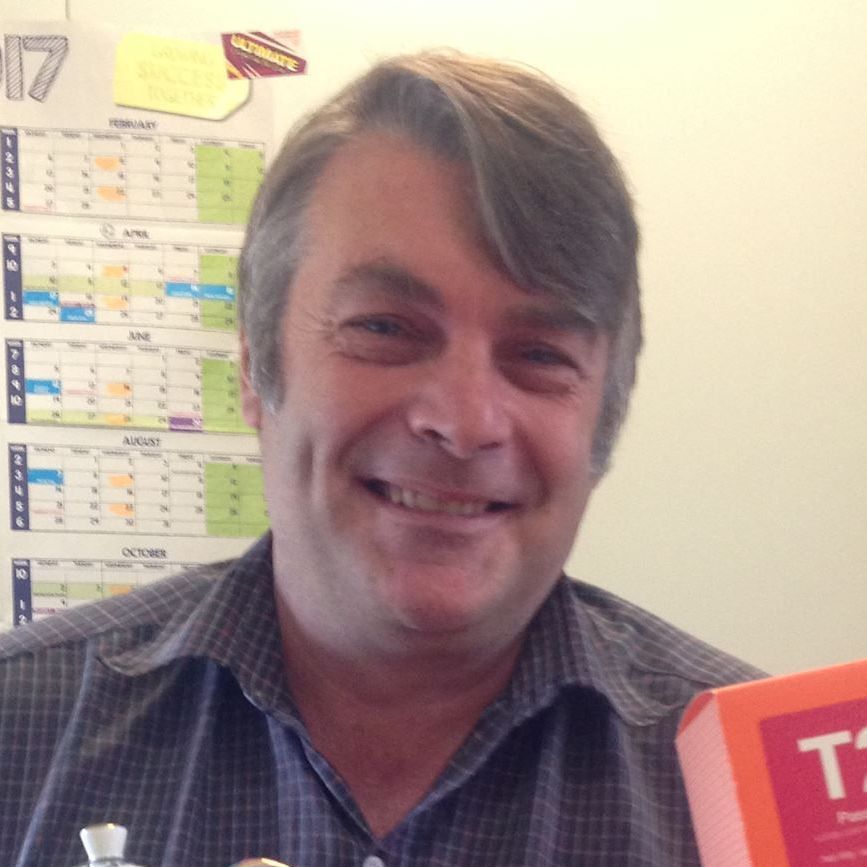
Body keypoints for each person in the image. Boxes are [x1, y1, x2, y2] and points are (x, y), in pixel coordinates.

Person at [0, 51, 762, 866]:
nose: (464, 422)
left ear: (602, 422)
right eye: (385, 328)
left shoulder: (767, 792)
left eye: (538, 353)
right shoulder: (19, 730)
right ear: (258, 371)